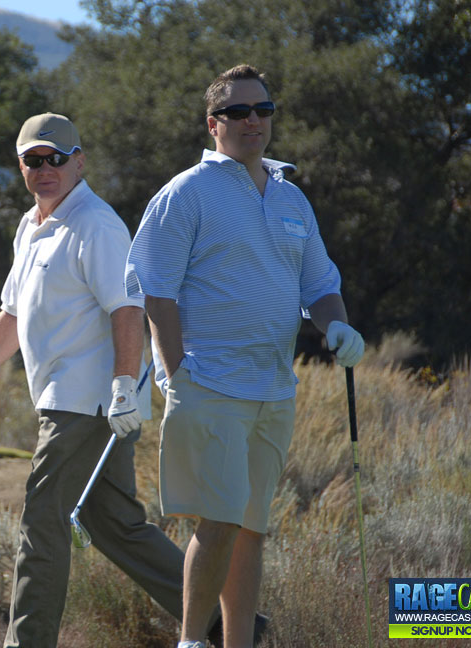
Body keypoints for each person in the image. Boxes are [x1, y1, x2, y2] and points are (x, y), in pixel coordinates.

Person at [126, 64, 365, 648]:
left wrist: (338, 327)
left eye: (262, 110)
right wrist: (175, 371)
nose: (252, 120)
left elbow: (319, 284)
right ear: (214, 124)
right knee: (222, 519)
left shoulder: (290, 196)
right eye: (238, 112)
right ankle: (190, 640)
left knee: (251, 528)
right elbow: (153, 288)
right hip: (208, 383)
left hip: (273, 388)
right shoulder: (186, 193)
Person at [0, 113, 189, 648]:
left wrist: (125, 387)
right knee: (117, 527)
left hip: (88, 404)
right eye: (33, 160)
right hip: (74, 402)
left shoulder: (96, 224)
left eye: (56, 158)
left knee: (41, 520)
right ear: (21, 168)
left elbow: (126, 308)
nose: (45, 168)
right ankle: (232, 625)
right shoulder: (31, 227)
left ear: (79, 161)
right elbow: (12, 316)